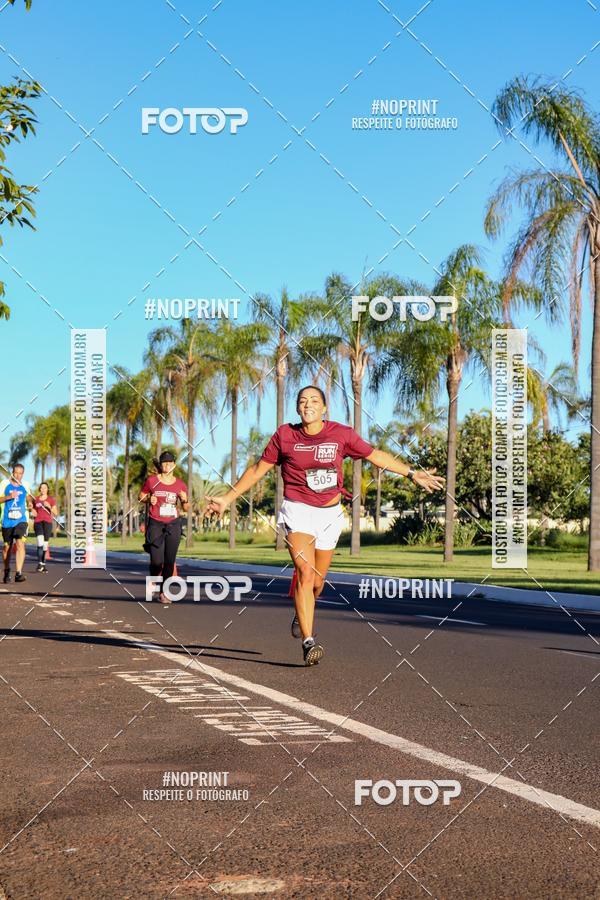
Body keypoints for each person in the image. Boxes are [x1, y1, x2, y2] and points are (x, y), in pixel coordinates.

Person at [206, 386, 445, 667]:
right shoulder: (285, 435)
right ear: (297, 408)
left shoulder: (341, 434)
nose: (308, 405)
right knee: (305, 573)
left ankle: (302, 609)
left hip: (330, 514)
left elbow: (374, 454)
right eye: (303, 401)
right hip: (297, 510)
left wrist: (411, 473)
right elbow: (258, 469)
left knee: (317, 583)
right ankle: (309, 642)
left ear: (324, 408)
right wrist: (227, 498)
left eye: (314, 401)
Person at [139, 451, 189, 605]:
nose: (167, 465)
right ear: (160, 465)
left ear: (174, 465)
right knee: (156, 561)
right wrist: (149, 498)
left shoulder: (180, 484)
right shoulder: (152, 481)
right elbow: (140, 496)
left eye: (170, 463)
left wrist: (184, 499)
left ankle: (163, 593)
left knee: (169, 561)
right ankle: (153, 580)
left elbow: (186, 508)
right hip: (156, 523)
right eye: (164, 463)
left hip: (173, 524)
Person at [0, 463, 33, 583]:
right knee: (7, 548)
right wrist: (9, 497)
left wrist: (30, 503)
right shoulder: (4, 484)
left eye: (20, 473)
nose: (18, 475)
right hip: (7, 521)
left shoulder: (25, 485)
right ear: (12, 473)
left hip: (21, 519)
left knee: (20, 543)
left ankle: (18, 573)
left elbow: (29, 496)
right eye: (16, 473)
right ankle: (7, 570)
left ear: (23, 474)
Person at [32, 482, 58, 572]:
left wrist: (49, 506)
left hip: (47, 523)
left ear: (47, 489)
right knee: (40, 542)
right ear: (40, 489)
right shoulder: (36, 499)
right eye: (41, 488)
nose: (43, 489)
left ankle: (43, 564)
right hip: (38, 522)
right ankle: (39, 563)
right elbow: (33, 510)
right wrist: (32, 510)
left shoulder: (51, 499)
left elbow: (56, 513)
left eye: (45, 488)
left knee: (45, 544)